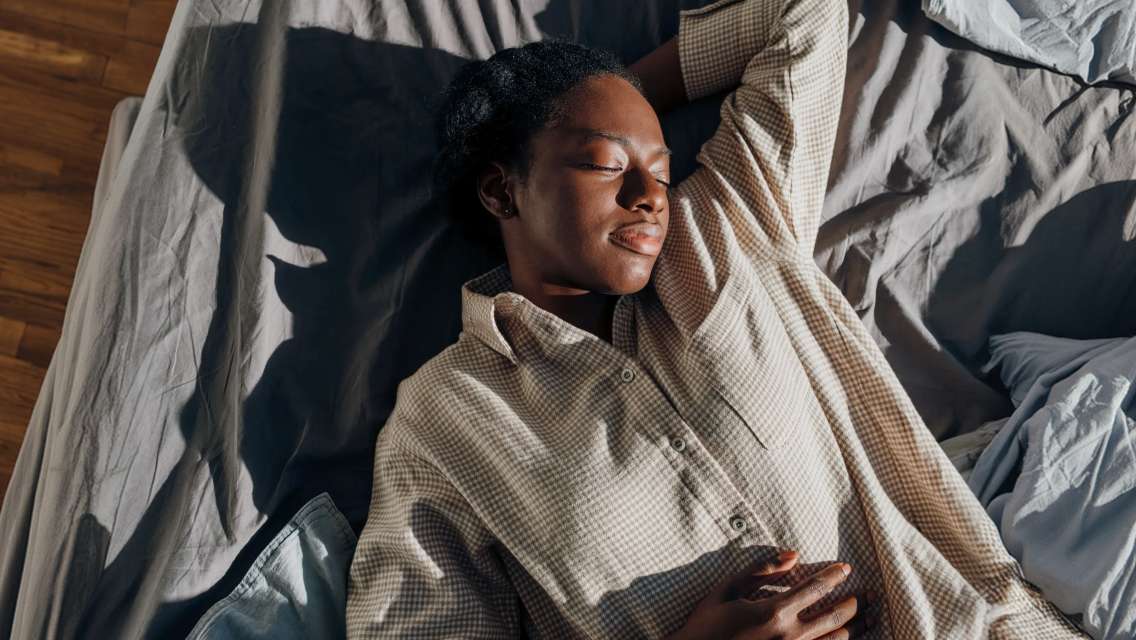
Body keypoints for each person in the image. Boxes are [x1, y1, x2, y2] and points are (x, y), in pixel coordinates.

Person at [345, 0, 1084, 637]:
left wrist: (616, 93)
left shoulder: (726, 229)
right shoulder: (444, 422)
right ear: (502, 193)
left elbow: (801, 14)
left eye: (661, 169)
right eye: (607, 164)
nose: (650, 195)